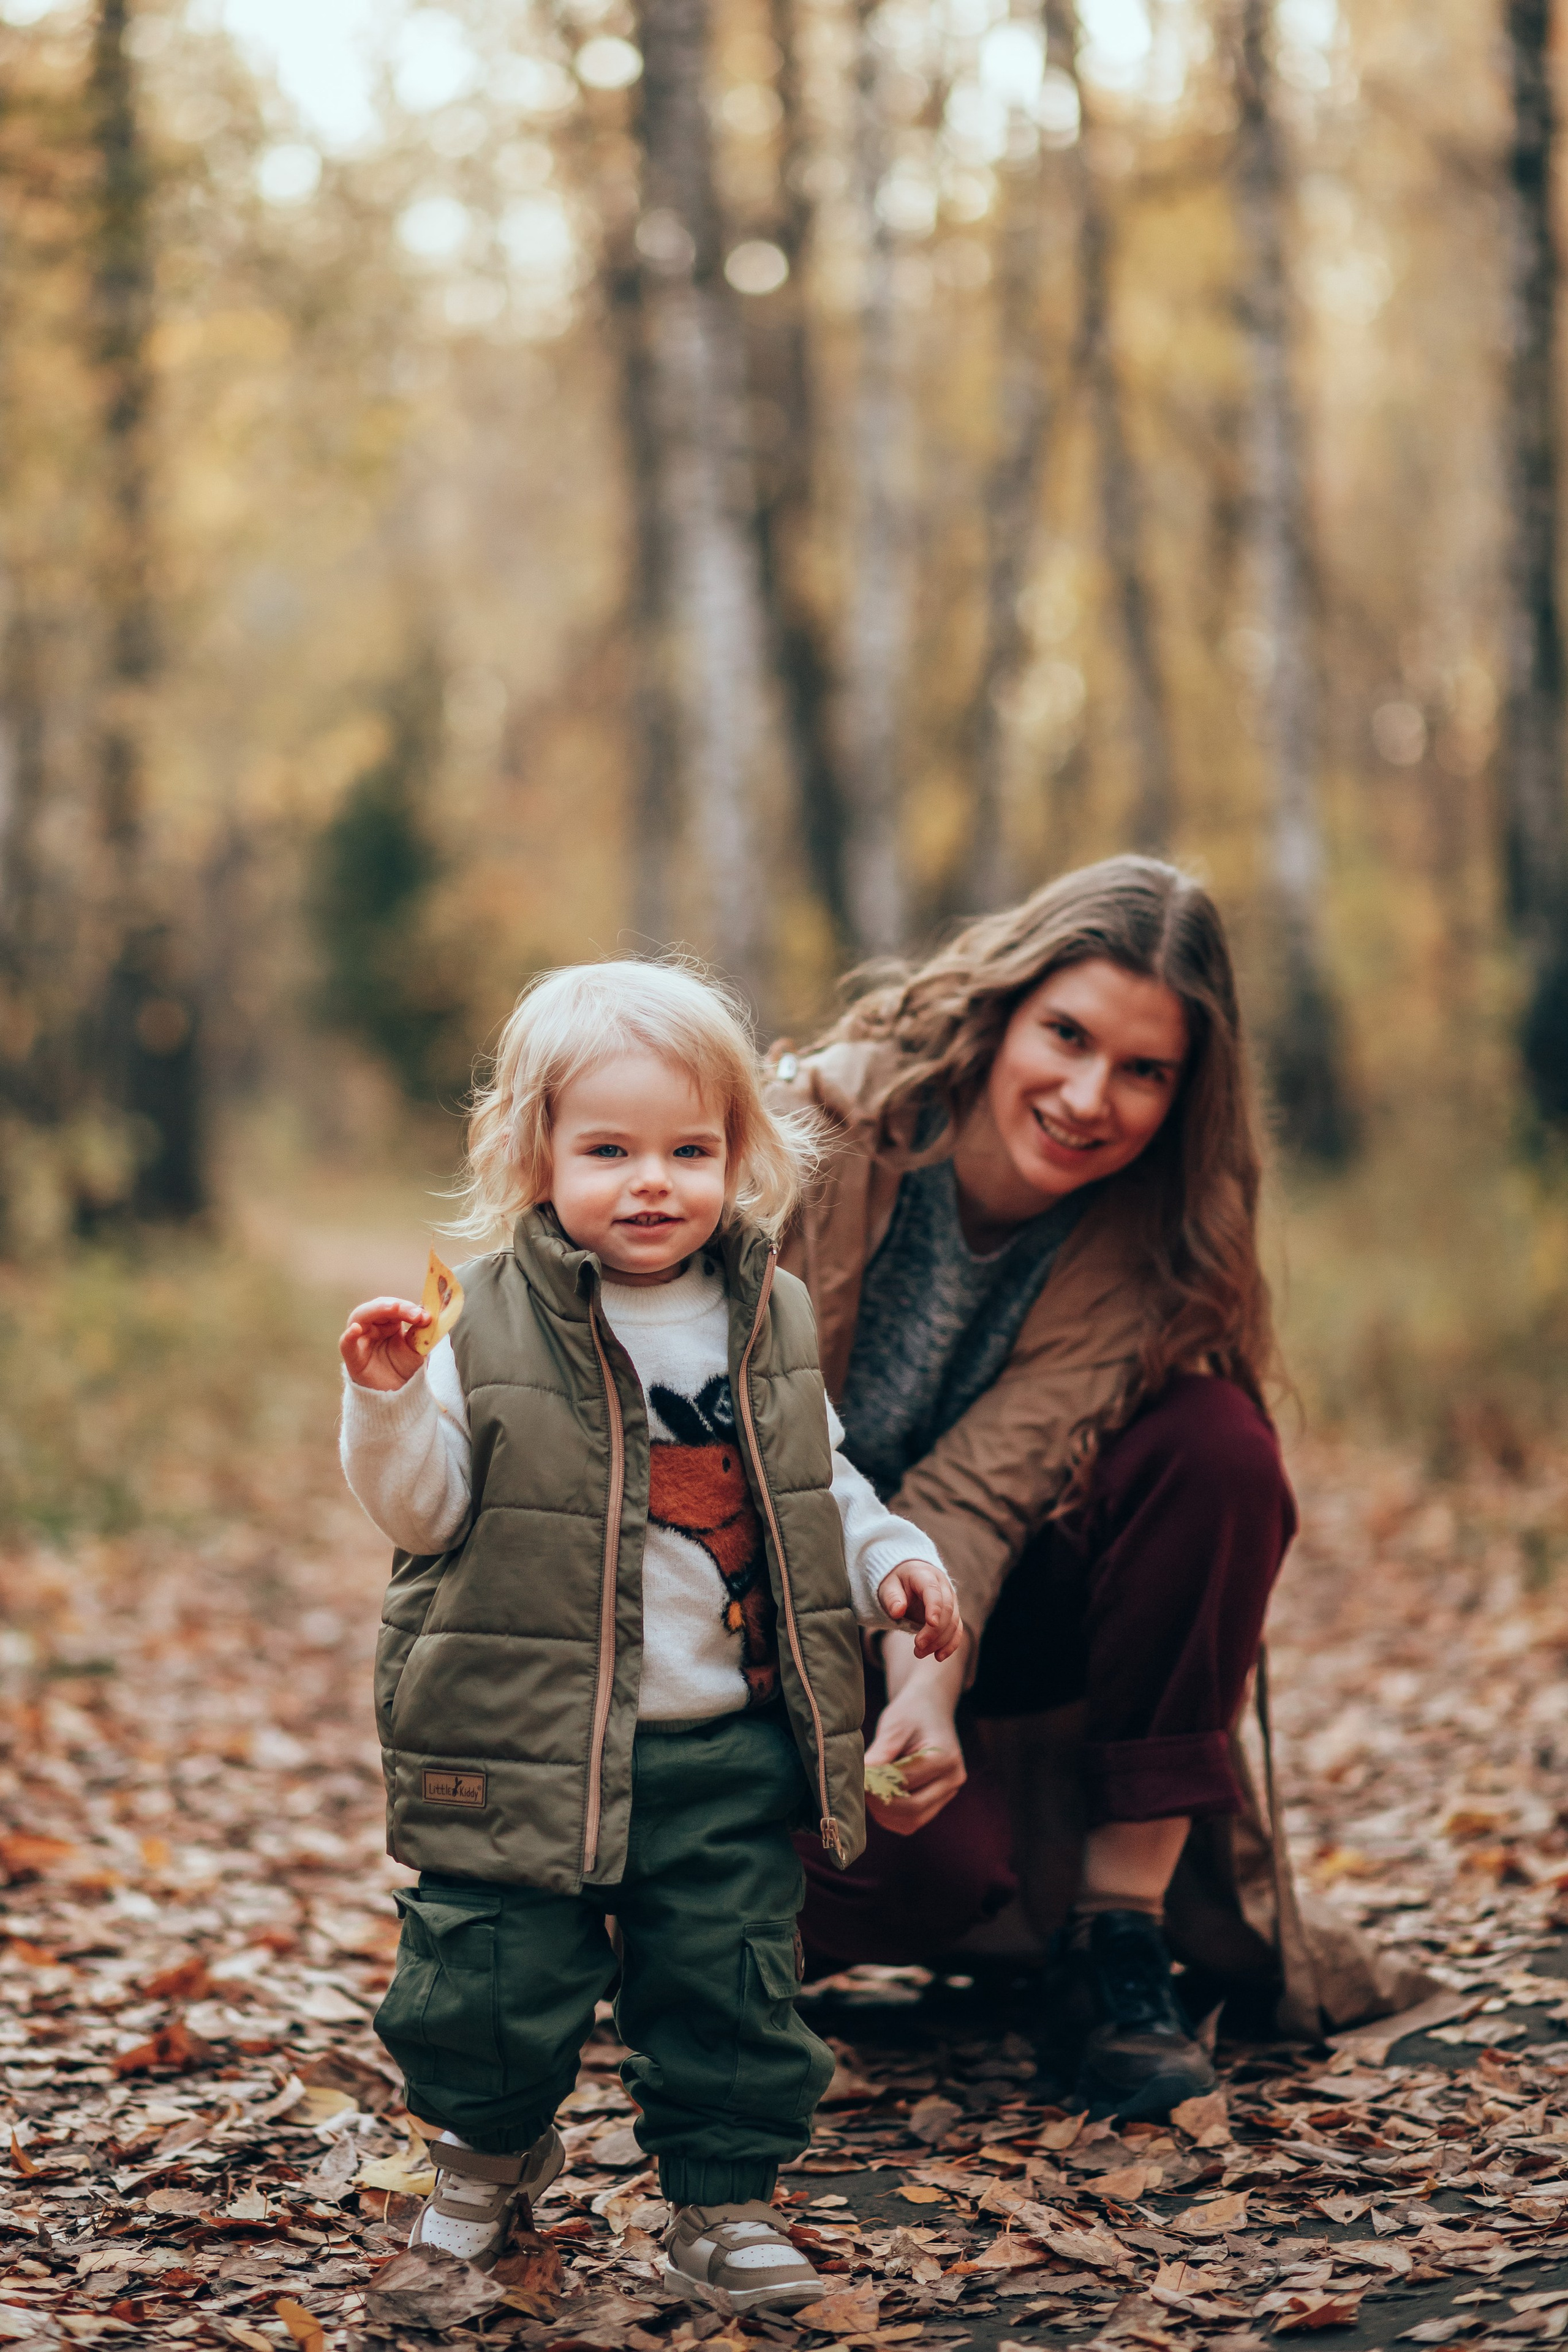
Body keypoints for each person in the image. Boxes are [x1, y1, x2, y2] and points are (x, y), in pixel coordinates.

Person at [336, 960, 961, 2309]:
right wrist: (389, 1404)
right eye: (608, 1149)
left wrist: (892, 1564)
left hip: (718, 1746)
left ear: (738, 1156)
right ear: (535, 1151)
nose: (651, 1182)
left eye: (689, 1149)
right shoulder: (483, 1317)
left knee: (730, 1988)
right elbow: (426, 1513)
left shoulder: (766, 1318)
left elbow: (818, 1488)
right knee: (483, 1982)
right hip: (522, 1745)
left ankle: (722, 2203)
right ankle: (482, 2170)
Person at [771, 856, 1354, 2121]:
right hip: (756, 1621)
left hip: (954, 1611)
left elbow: (975, 1502)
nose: (1088, 1097)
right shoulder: (807, 1137)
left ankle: (1115, 1937)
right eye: (1066, 1036)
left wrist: (921, 1687)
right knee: (911, 1882)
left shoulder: (1143, 1250)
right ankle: (666, 1909)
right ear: (1000, 1011)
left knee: (1214, 1444)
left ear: (1183, 1090)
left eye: (1142, 1070)